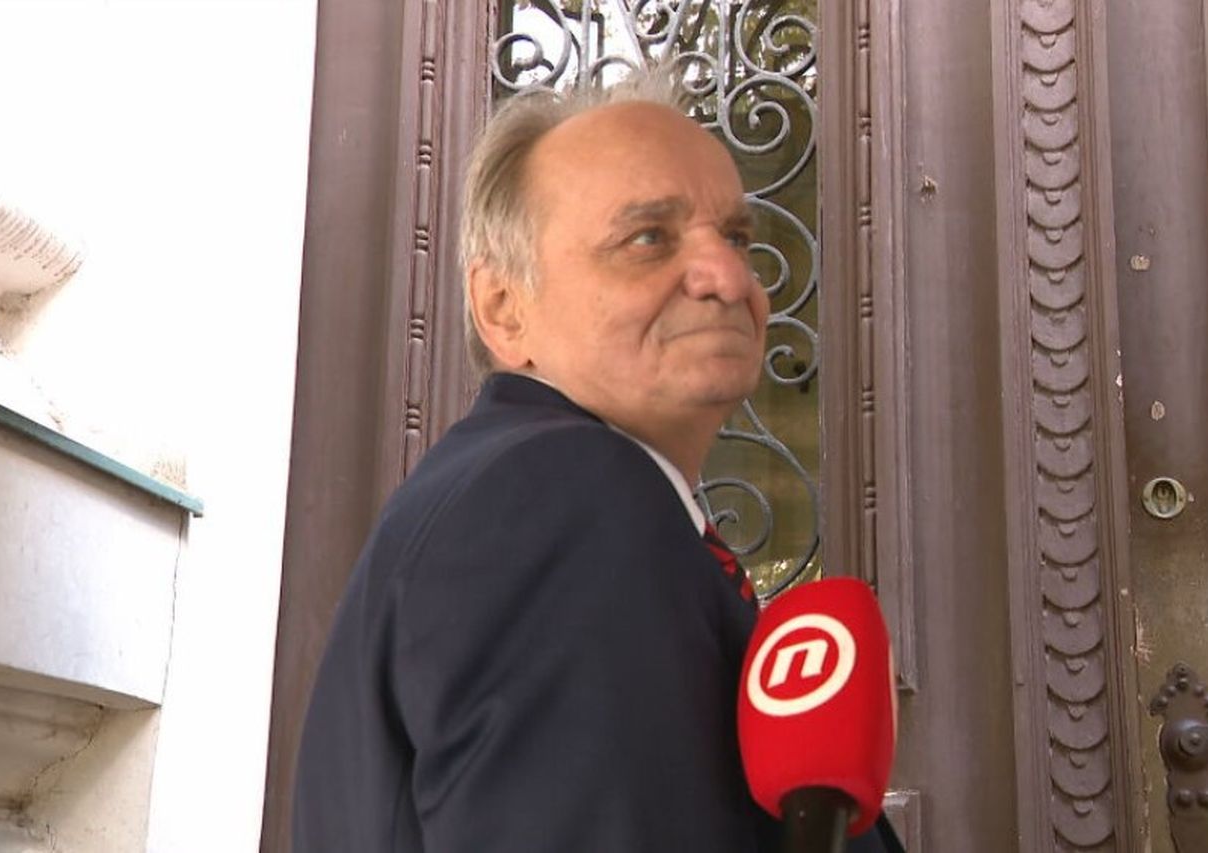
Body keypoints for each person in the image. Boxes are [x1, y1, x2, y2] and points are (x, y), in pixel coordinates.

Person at [291, 66, 901, 852]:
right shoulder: (561, 494)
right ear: (504, 306)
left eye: (736, 237)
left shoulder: (544, 494)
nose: (729, 277)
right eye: (648, 239)